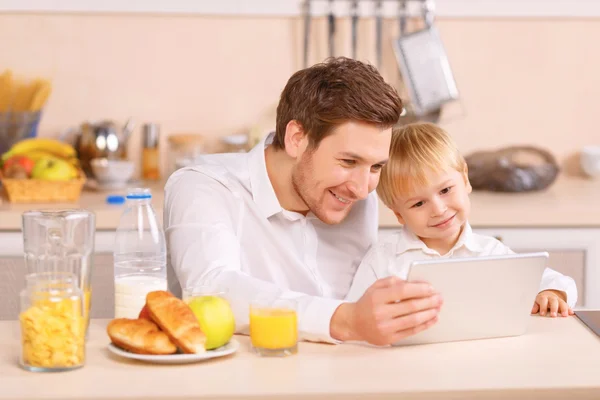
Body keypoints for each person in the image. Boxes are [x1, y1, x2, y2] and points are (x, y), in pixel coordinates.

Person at [163, 57, 442, 346]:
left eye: (375, 167)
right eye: (348, 161)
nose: (362, 189)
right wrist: (344, 321)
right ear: (297, 138)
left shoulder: (353, 194)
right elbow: (212, 289)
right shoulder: (203, 186)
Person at [346, 122, 578, 318]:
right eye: (418, 203)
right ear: (398, 213)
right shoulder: (382, 261)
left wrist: (551, 294)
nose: (438, 209)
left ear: (465, 180)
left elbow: (555, 281)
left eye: (445, 190)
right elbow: (353, 317)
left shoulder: (490, 253)